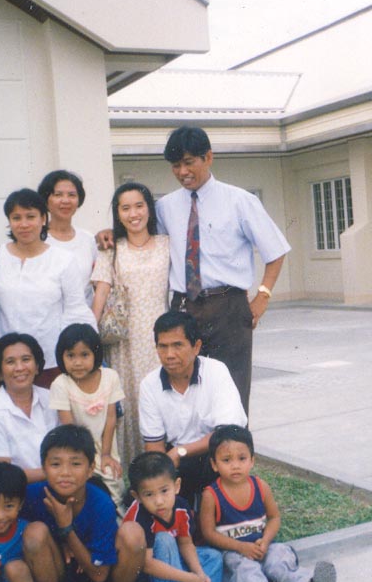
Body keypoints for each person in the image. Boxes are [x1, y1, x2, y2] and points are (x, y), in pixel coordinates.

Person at [99, 126, 290, 414]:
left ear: (208, 157)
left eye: (189, 162)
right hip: (183, 308)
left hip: (228, 308)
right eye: (176, 165)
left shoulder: (240, 201)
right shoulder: (164, 207)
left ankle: (231, 456)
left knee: (231, 393)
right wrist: (109, 233)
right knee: (184, 395)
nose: (182, 171)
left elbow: (275, 251)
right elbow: (141, 235)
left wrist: (262, 296)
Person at [20, 425, 145, 582]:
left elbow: (99, 576)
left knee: (133, 533)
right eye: (56, 464)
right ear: (44, 468)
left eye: (75, 464)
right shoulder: (33, 494)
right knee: (34, 533)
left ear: (90, 469)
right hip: (56, 580)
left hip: (98, 579)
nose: (65, 472)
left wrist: (66, 529)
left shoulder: (100, 503)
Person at [199, 425, 336, 582]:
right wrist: (240, 547)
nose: (235, 465)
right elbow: (209, 533)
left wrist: (265, 540)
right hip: (234, 553)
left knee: (279, 558)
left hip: (262, 546)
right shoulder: (211, 495)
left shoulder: (261, 486)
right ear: (214, 464)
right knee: (246, 571)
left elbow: (274, 518)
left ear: (252, 460)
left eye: (242, 458)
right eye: (226, 460)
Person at [0, 189, 95, 388]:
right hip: (3, 361)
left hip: (50, 359)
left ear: (43, 219)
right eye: (16, 218)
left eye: (31, 216)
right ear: (9, 222)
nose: (23, 224)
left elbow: (76, 310)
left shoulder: (62, 259)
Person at [90, 182, 169, 466]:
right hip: (124, 342)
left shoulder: (166, 244)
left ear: (149, 208)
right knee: (129, 405)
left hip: (161, 339)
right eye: (125, 208)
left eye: (139, 205)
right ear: (117, 213)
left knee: (158, 402)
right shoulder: (111, 249)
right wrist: (90, 332)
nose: (133, 213)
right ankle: (133, 475)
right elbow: (101, 291)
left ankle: (160, 469)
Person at [140, 311, 246, 505]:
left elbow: (227, 433)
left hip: (216, 452)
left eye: (177, 345)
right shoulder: (149, 384)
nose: (169, 355)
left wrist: (180, 452)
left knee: (228, 455)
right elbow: (154, 446)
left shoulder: (216, 371)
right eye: (162, 347)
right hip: (176, 460)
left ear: (196, 347)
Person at [124, 452, 232, 582]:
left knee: (212, 557)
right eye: (149, 494)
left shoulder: (181, 506)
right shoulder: (140, 517)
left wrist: (198, 573)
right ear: (137, 496)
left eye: (164, 491)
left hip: (170, 562)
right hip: (145, 573)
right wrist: (187, 577)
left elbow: (185, 542)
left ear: (177, 486)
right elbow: (146, 564)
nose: (159, 501)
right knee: (164, 539)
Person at [49, 323, 125, 507]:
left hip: (105, 445)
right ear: (62, 356)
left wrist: (106, 454)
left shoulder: (110, 377)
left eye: (84, 355)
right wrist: (85, 459)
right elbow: (70, 427)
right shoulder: (61, 384)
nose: (77, 362)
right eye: (70, 355)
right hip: (77, 447)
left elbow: (111, 418)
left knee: (114, 483)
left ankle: (118, 524)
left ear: (96, 354)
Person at [0, 333, 58, 482]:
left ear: (37, 367)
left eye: (26, 359)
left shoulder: (52, 399)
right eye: (10, 362)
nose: (19, 368)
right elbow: (3, 475)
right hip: (16, 494)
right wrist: (59, 474)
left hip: (60, 484)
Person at [39, 170, 98, 305]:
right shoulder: (36, 239)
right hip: (46, 321)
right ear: (46, 199)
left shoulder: (88, 239)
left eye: (72, 195)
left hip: (81, 320)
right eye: (58, 194)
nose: (65, 200)